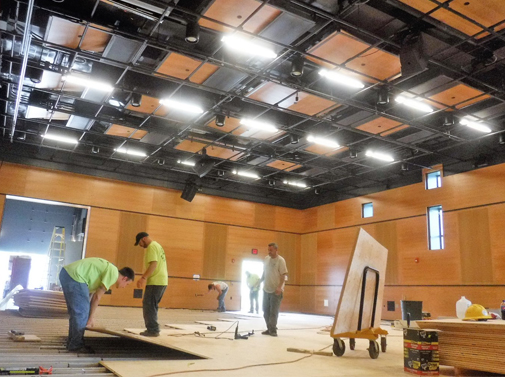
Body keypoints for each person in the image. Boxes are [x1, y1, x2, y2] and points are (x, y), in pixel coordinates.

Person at [59, 257, 134, 352]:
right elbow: (97, 297)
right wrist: (90, 318)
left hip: (67, 273)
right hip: (75, 276)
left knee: (77, 313)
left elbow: (89, 296)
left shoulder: (107, 270)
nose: (124, 287)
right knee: (81, 313)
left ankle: (72, 343)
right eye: (127, 284)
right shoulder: (114, 273)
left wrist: (87, 312)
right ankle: (76, 345)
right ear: (125, 278)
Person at [135, 232, 168, 337]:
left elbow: (153, 264)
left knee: (148, 305)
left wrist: (143, 278)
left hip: (156, 281)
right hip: (162, 281)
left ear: (143, 239)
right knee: (152, 305)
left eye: (139, 242)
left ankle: (153, 330)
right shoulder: (157, 245)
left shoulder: (151, 247)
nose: (140, 245)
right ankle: (153, 328)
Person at [261, 242, 288, 337]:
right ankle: (269, 328)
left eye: (271, 250)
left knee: (273, 311)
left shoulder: (281, 261)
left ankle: (273, 330)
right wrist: (260, 281)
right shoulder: (266, 259)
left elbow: (283, 275)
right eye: (268, 250)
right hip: (266, 289)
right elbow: (264, 272)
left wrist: (280, 287)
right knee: (265, 310)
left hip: (276, 291)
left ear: (276, 250)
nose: (269, 252)